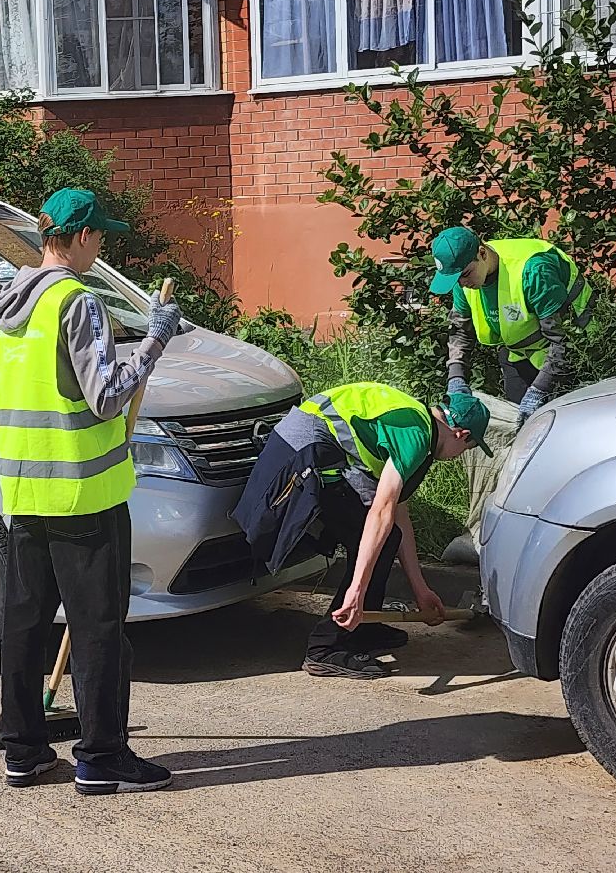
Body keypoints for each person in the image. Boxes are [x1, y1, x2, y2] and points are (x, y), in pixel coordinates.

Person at [0, 188, 184, 796]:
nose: (102, 248)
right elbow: (107, 395)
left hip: (25, 494)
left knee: (25, 623)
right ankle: (101, 756)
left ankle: (23, 751)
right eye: (100, 237)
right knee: (99, 630)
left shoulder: (9, 308)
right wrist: (155, 340)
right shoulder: (78, 303)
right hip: (85, 498)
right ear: (79, 238)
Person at [232, 382, 492, 679]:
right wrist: (355, 593)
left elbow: (396, 514)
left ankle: (363, 627)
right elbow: (380, 512)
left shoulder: (417, 424)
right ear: (462, 435)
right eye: (468, 449)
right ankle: (326, 647)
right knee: (371, 538)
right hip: (301, 454)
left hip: (317, 448)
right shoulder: (415, 436)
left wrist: (420, 589)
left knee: (386, 537)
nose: (460, 455)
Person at [429, 226, 593, 423]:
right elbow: (460, 333)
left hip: (578, 354)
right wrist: (456, 378)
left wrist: (539, 389)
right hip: (519, 354)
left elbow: (565, 341)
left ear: (482, 253)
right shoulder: (463, 283)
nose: (463, 283)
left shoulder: (534, 270)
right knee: (524, 427)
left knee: (567, 427)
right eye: (455, 279)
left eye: (465, 274)